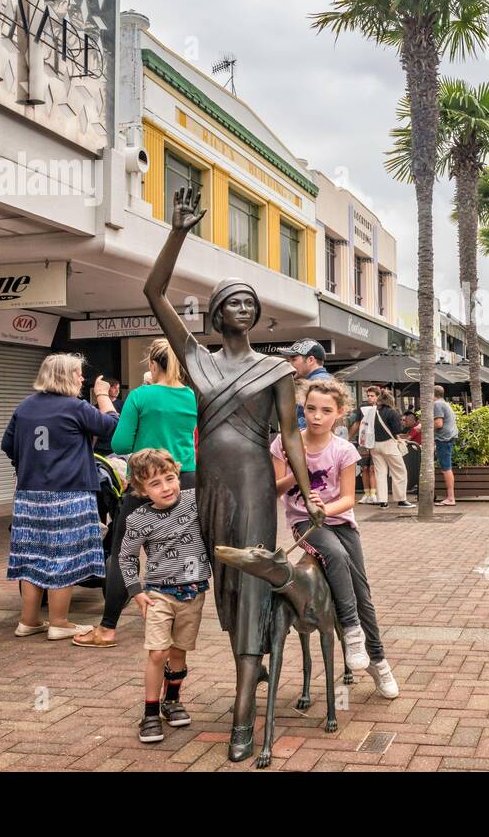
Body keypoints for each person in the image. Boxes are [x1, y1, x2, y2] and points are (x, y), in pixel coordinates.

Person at [146, 186, 325, 763]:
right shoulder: (194, 359)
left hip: (252, 487)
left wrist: (308, 489)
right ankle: (254, 652)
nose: (242, 310)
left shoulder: (276, 369)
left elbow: (290, 437)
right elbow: (151, 290)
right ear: (217, 313)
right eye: (233, 303)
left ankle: (244, 713)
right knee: (221, 592)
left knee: (248, 581)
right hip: (209, 488)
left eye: (250, 303)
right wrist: (177, 232)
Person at [270, 377, 398, 699]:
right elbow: (274, 488)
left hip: (339, 522)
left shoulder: (344, 449)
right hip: (305, 524)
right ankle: (351, 632)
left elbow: (348, 499)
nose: (316, 416)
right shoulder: (285, 443)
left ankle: (379, 662)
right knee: (335, 555)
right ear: (302, 407)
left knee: (363, 593)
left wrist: (324, 508)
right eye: (310, 408)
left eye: (325, 410)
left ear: (338, 414)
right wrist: (295, 470)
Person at [75, 339, 197, 649]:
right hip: (186, 479)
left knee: (123, 551)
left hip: (146, 480)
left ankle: (107, 629)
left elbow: (120, 444)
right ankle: (178, 627)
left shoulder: (141, 396)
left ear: (153, 366)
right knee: (182, 551)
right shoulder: (191, 396)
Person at [2, 353, 119, 642]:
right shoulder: (76, 407)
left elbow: (8, 445)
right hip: (69, 493)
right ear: (66, 376)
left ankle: (29, 621)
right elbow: (111, 427)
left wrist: (34, 463)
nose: (83, 378)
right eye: (79, 373)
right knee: (63, 557)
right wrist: (103, 396)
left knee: (32, 556)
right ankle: (59, 622)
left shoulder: (25, 407)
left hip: (29, 495)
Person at [117, 449, 210, 744]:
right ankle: (151, 713)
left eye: (170, 478)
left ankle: (173, 701)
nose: (166, 487)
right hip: (159, 594)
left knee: (179, 652)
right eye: (155, 484)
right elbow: (126, 557)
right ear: (142, 490)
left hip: (194, 593)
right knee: (158, 652)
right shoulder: (138, 519)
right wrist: (136, 592)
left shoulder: (196, 500)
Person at [369, 389, 412, 508]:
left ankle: (383, 501)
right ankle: (401, 499)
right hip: (389, 445)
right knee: (399, 471)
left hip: (375, 445)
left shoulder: (372, 413)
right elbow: (397, 430)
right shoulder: (393, 413)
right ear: (390, 401)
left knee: (380, 473)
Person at [282, 339, 334, 429]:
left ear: (310, 360)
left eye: (293, 359)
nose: (289, 365)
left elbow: (313, 428)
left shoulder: (317, 383)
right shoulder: (324, 380)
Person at [349, 386, 379, 504]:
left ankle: (374, 494)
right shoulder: (362, 407)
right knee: (364, 468)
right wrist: (349, 438)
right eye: (368, 395)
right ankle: (367, 494)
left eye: (372, 396)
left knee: (373, 468)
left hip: (375, 440)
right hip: (363, 440)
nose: (370, 398)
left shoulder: (380, 408)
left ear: (377, 396)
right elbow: (357, 423)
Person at [433, 384, 458, 506]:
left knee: (446, 468)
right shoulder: (444, 403)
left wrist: (424, 426)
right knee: (446, 468)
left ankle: (450, 498)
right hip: (448, 438)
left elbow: (438, 423)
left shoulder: (437, 404)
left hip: (443, 439)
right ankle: (450, 497)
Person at [93, 380, 124, 455]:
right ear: (107, 388)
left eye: (118, 388)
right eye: (114, 388)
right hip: (100, 446)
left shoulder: (123, 404)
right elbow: (95, 429)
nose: (117, 390)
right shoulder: (96, 407)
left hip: (115, 445)